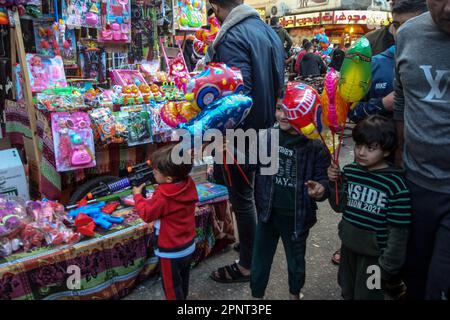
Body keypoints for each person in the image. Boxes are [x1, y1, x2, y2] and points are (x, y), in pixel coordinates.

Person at [205, 0, 285, 283]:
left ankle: (247, 265)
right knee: (259, 195)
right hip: (268, 127)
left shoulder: (231, 36)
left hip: (241, 132)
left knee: (242, 197)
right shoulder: (268, 31)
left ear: (214, 6)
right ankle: (254, 247)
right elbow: (281, 84)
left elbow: (237, 96)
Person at [394, 0, 450, 300]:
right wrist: (398, 154)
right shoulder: (408, 34)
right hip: (415, 184)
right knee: (412, 277)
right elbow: (401, 99)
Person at [251, 101, 331, 300]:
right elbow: (251, 162)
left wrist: (321, 190)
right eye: (279, 108)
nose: (284, 115)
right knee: (259, 260)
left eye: (292, 110)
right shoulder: (268, 136)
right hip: (267, 212)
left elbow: (324, 179)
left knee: (296, 262)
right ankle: (256, 296)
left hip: (297, 217)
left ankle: (294, 293)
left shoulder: (316, 144)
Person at [328, 115, 411, 300]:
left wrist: (389, 265)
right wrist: (334, 182)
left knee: (368, 295)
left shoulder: (395, 184)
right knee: (347, 290)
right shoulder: (350, 172)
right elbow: (339, 206)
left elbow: (398, 231)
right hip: (348, 248)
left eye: (370, 148)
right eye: (358, 145)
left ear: (387, 151)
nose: (361, 152)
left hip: (375, 258)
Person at [132, 144, 198, 300]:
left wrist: (137, 196)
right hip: (188, 244)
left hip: (170, 250)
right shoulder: (188, 183)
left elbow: (147, 214)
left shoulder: (163, 195)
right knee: (182, 280)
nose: (153, 173)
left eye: (155, 172)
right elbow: (171, 209)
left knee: (171, 287)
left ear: (169, 178)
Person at [349, 0, 428, 124]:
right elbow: (352, 112)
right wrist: (383, 103)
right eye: (397, 25)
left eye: (409, 25)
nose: (401, 32)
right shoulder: (374, 64)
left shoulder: (440, 61)